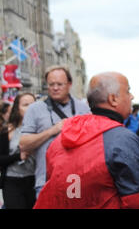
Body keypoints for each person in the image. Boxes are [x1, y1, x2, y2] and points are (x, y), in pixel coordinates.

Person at [33, 72, 139, 209]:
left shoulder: (60, 139)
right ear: (113, 99)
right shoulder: (123, 140)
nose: (132, 96)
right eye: (128, 91)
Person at [19, 65, 91, 197]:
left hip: (76, 179)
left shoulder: (83, 109)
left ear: (69, 84)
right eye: (51, 84)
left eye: (59, 84)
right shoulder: (35, 109)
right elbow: (24, 143)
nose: (55, 88)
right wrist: (52, 130)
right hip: (46, 180)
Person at [0, 93, 36, 209]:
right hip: (12, 181)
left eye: (33, 104)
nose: (30, 108)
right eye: (25, 105)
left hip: (35, 181)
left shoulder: (42, 129)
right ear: (17, 108)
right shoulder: (7, 130)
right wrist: (18, 156)